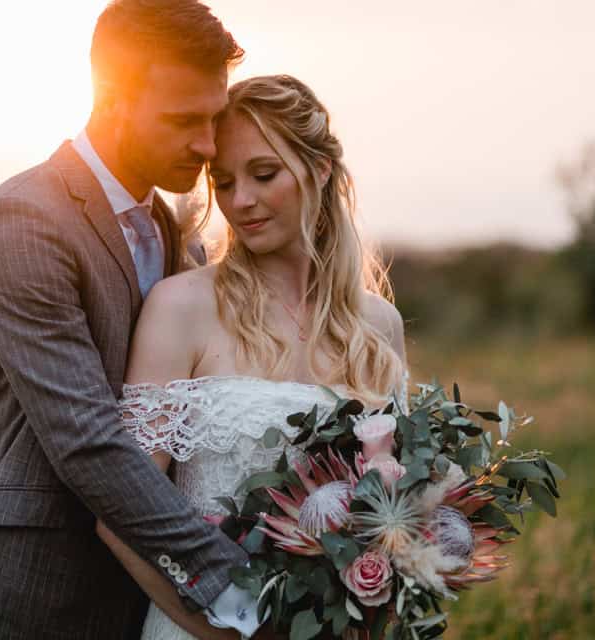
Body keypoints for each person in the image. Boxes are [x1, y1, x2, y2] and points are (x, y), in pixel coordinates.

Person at [0, 2, 266, 638]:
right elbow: (86, 439)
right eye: (184, 120)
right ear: (111, 99)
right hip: (30, 601)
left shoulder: (176, 237)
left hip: (144, 608)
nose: (208, 145)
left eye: (214, 119)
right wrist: (235, 580)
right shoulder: (23, 223)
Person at [96, 74, 408, 640]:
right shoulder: (180, 308)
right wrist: (229, 631)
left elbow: (399, 511)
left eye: (264, 175)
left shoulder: (378, 326)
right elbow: (122, 515)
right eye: (225, 182)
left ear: (319, 169)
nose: (240, 201)